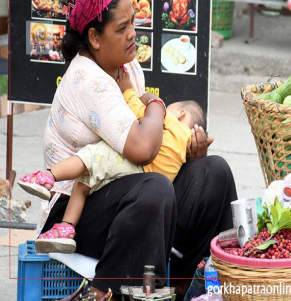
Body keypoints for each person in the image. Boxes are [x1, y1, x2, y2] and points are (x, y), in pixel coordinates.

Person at [36, 0, 237, 300]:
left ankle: (191, 288)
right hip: (76, 211)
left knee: (214, 173)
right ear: (94, 38)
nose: (133, 33)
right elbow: (143, 147)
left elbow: (149, 142)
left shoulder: (125, 65)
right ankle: (106, 292)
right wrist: (155, 104)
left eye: (133, 22)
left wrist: (185, 151)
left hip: (125, 193)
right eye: (122, 27)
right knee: (154, 189)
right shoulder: (87, 79)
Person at [19, 94, 205, 254]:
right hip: (140, 181)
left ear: (181, 114)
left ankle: (49, 177)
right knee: (85, 181)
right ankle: (65, 228)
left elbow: (138, 109)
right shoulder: (185, 149)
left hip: (133, 165)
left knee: (89, 159)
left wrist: (140, 96)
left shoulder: (170, 123)